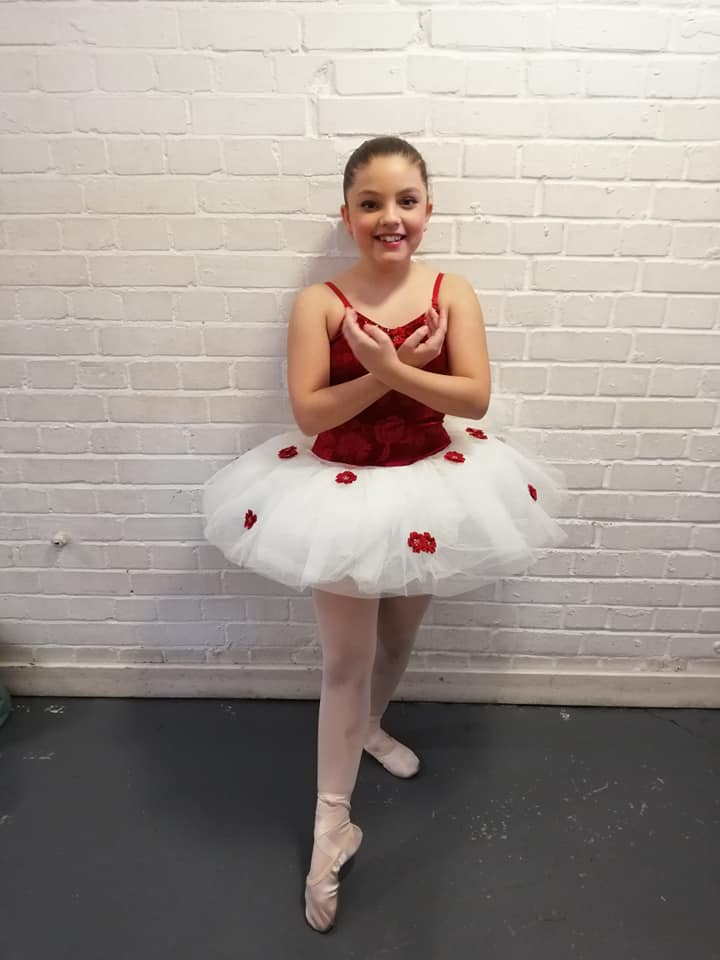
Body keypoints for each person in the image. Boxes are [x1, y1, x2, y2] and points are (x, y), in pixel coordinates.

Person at [202, 136, 567, 932]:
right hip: (341, 490)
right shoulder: (322, 302)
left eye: (406, 201)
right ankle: (331, 825)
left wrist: (395, 368)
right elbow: (311, 413)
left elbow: (471, 398)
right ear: (346, 216)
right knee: (346, 660)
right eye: (370, 203)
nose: (389, 217)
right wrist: (388, 369)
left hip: (429, 487)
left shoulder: (450, 291)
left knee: (399, 632)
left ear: (429, 211)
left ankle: (370, 726)